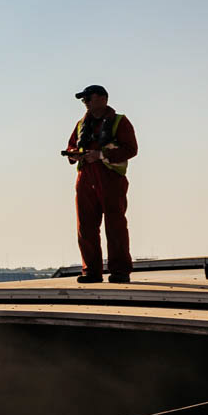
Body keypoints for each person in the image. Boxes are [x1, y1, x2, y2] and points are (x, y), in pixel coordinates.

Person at [64, 84, 137, 283]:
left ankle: (120, 271)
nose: (85, 102)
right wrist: (75, 155)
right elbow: (71, 145)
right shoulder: (81, 124)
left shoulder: (120, 121)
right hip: (85, 177)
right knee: (85, 226)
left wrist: (102, 155)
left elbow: (131, 149)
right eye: (84, 100)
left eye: (89, 98)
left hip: (110, 177)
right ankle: (91, 272)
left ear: (103, 98)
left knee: (115, 224)